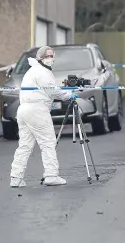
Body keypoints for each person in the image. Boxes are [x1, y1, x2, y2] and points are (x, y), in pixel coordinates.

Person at [10, 46, 79, 187]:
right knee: (48, 142)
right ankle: (51, 175)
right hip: (37, 109)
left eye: (51, 55)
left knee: (25, 145)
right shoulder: (43, 72)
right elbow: (51, 91)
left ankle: (16, 178)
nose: (50, 58)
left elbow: (49, 89)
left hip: (23, 110)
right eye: (47, 56)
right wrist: (68, 95)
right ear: (40, 58)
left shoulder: (31, 71)